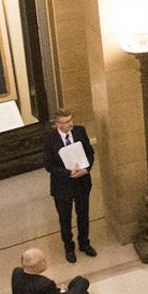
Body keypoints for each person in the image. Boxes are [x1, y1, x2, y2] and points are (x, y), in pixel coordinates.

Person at [43, 109, 96, 262]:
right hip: (62, 186)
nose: (70, 124)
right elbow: (49, 165)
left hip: (82, 182)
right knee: (65, 219)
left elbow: (89, 153)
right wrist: (68, 173)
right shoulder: (49, 139)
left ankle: (84, 244)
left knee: (83, 215)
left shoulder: (80, 131)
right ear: (57, 124)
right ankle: (69, 248)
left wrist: (86, 169)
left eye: (70, 120)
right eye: (65, 122)